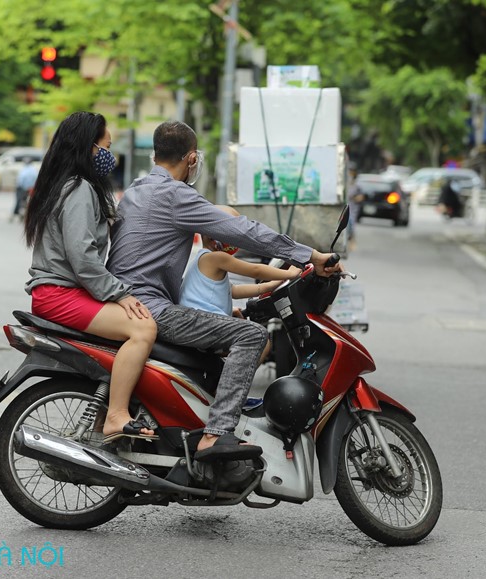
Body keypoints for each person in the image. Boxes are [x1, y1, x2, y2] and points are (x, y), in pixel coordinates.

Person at [107, 120, 342, 461]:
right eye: (196, 157)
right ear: (191, 159)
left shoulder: (136, 190)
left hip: (126, 300)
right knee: (251, 336)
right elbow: (243, 230)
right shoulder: (176, 195)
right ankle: (216, 433)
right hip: (150, 307)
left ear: (156, 154)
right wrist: (310, 255)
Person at [24, 111, 157, 442]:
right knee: (143, 327)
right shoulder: (79, 188)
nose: (110, 156)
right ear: (88, 148)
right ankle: (115, 416)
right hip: (58, 294)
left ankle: (101, 421)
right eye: (106, 147)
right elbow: (82, 257)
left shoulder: (67, 185)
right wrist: (120, 293)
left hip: (66, 291)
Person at [180, 205, 301, 361]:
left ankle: (222, 377)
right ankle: (237, 383)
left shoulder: (205, 259)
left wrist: (270, 286)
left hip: (200, 324)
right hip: (204, 325)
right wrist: (289, 273)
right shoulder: (215, 258)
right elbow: (255, 270)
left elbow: (234, 290)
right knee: (261, 340)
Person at [12, 157, 38, 223]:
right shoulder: (34, 170)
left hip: (22, 188)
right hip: (31, 189)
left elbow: (20, 180)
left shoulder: (24, 170)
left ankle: (14, 214)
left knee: (18, 200)